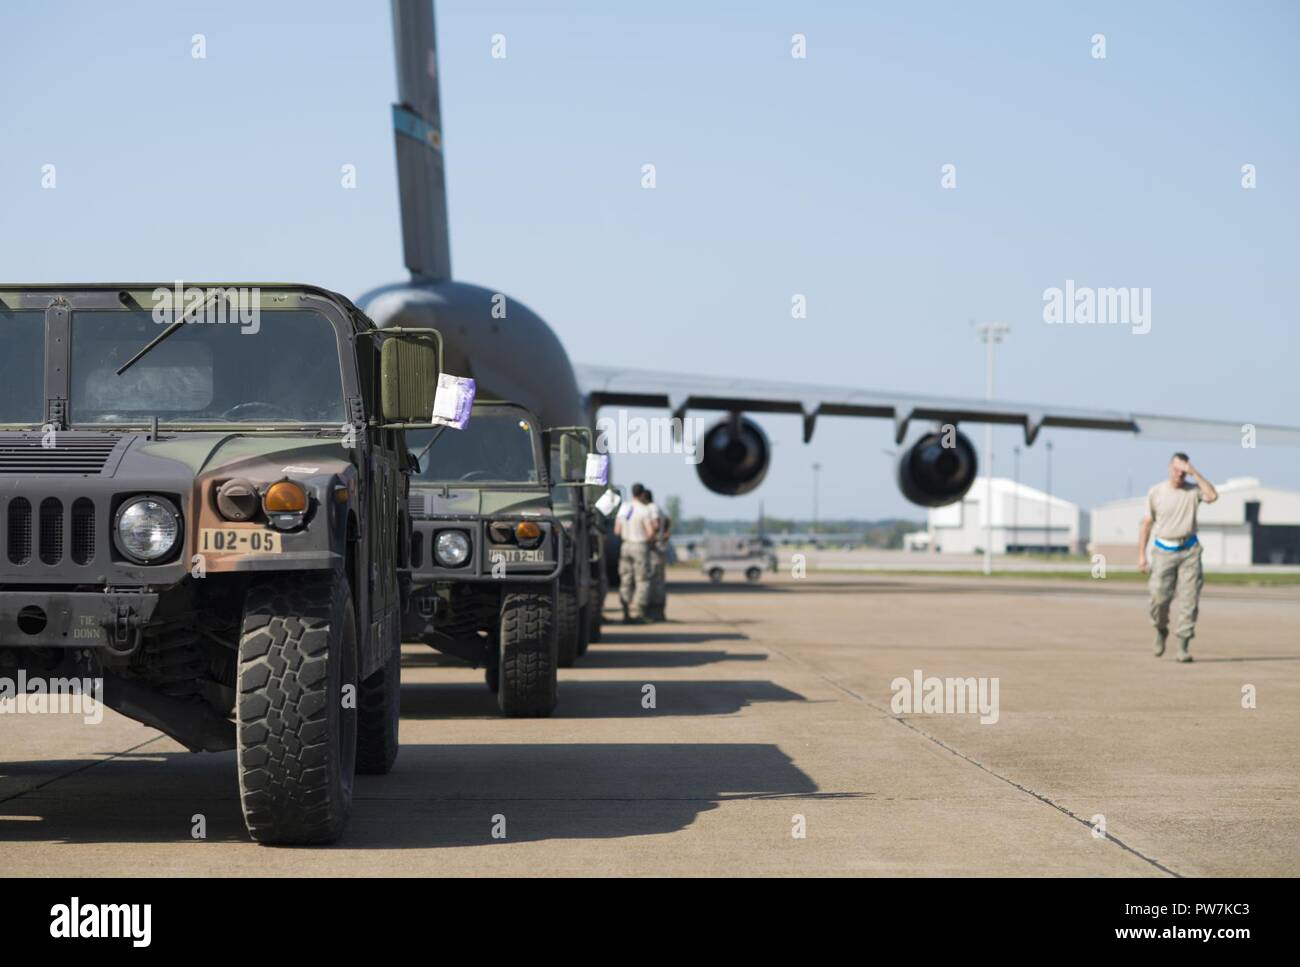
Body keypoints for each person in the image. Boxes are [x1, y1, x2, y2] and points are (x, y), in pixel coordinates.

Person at [1138, 452, 1218, 662]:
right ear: (1168, 468)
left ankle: (1183, 644)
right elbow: (1146, 524)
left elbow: (1212, 496)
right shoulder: (1156, 492)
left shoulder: (1193, 491)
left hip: (1189, 551)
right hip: (1163, 551)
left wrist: (1195, 472)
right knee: (1158, 597)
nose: (1179, 475)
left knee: (1189, 600)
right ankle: (1160, 629)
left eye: (1183, 472)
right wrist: (1141, 556)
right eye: (1176, 469)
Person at [614, 483, 658, 623]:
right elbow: (650, 532)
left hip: (625, 546)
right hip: (640, 546)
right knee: (642, 580)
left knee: (626, 579)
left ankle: (625, 611)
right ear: (643, 494)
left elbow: (617, 531)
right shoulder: (644, 510)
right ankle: (639, 612)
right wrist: (650, 542)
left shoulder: (624, 508)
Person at [643, 489, 671, 621]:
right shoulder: (656, 508)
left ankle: (656, 613)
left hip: (655, 548)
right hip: (657, 547)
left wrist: (652, 539)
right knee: (656, 580)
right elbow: (666, 522)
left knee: (655, 581)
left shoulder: (651, 508)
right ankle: (657, 612)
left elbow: (656, 525)